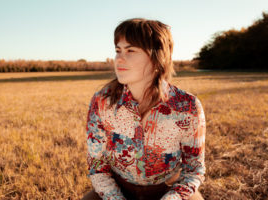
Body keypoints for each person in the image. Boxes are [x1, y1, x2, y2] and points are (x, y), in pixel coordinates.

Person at [82, 18, 206, 200]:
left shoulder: (187, 106)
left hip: (169, 190)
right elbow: (98, 167)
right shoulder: (102, 101)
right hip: (117, 189)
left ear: (158, 57)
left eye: (130, 50)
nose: (119, 58)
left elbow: (193, 170)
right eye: (118, 50)